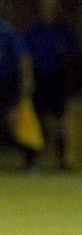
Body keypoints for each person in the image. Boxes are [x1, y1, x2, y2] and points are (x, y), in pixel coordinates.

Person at [22, 0, 77, 170]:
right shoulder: (33, 28)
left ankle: (61, 162)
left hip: (57, 79)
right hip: (39, 78)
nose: (50, 7)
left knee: (59, 120)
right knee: (36, 120)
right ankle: (31, 161)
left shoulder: (63, 30)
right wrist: (28, 78)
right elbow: (26, 54)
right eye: (47, 4)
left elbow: (71, 54)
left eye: (54, 4)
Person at [0, 16, 35, 168]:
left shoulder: (6, 31)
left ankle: (28, 160)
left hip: (7, 81)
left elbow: (23, 56)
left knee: (15, 120)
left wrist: (27, 78)